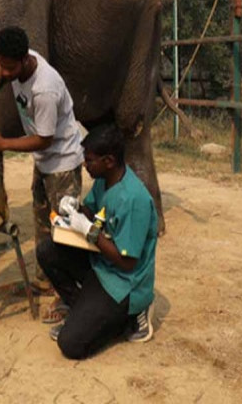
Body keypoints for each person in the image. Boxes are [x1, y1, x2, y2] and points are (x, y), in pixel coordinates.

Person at [0, 26, 83, 295]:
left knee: (66, 231)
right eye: (2, 65)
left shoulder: (45, 89)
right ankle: (45, 281)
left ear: (24, 60)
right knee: (43, 224)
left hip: (62, 164)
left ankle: (70, 293)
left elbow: (44, 138)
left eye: (10, 68)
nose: (5, 72)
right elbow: (1, 65)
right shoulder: (17, 58)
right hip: (44, 162)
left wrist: (2, 144)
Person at [36, 124, 158, 360]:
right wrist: (74, 209)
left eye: (90, 160)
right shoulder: (105, 180)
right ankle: (84, 313)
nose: (85, 164)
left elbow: (127, 263)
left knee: (70, 344)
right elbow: (92, 210)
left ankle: (129, 317)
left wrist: (91, 232)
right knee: (47, 251)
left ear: (109, 160)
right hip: (101, 265)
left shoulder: (133, 200)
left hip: (124, 284)